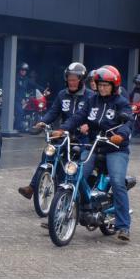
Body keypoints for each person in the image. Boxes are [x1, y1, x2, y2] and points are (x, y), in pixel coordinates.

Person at [54, 65, 133, 242]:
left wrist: (121, 135)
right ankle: (58, 216)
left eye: (106, 85)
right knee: (73, 174)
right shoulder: (92, 101)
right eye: (100, 84)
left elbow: (128, 122)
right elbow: (78, 117)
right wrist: (62, 129)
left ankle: (123, 226)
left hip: (115, 149)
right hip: (93, 145)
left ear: (114, 86)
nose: (103, 88)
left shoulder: (121, 102)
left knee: (117, 182)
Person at [17, 62, 91, 199]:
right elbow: (53, 112)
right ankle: (33, 187)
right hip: (64, 134)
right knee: (48, 154)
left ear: (82, 80)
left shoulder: (90, 96)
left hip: (83, 137)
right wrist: (42, 122)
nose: (71, 82)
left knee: (81, 164)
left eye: (74, 80)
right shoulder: (62, 94)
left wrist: (88, 125)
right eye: (69, 79)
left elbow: (93, 117)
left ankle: (79, 193)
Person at [15, 62, 44, 132]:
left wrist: (43, 90)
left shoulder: (26, 79)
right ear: (19, 70)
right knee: (20, 112)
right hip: (15, 99)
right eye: (22, 69)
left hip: (22, 99)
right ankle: (18, 128)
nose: (23, 71)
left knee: (28, 109)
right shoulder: (15, 78)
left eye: (25, 70)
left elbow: (35, 85)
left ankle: (24, 125)